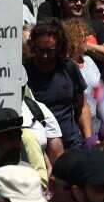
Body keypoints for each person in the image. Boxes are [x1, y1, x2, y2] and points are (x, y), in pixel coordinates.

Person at [25, 19, 91, 150]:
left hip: (71, 144)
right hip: (40, 147)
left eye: (50, 51)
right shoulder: (25, 72)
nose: (44, 56)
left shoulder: (69, 68)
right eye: (40, 50)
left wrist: (88, 139)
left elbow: (82, 107)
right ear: (33, 46)